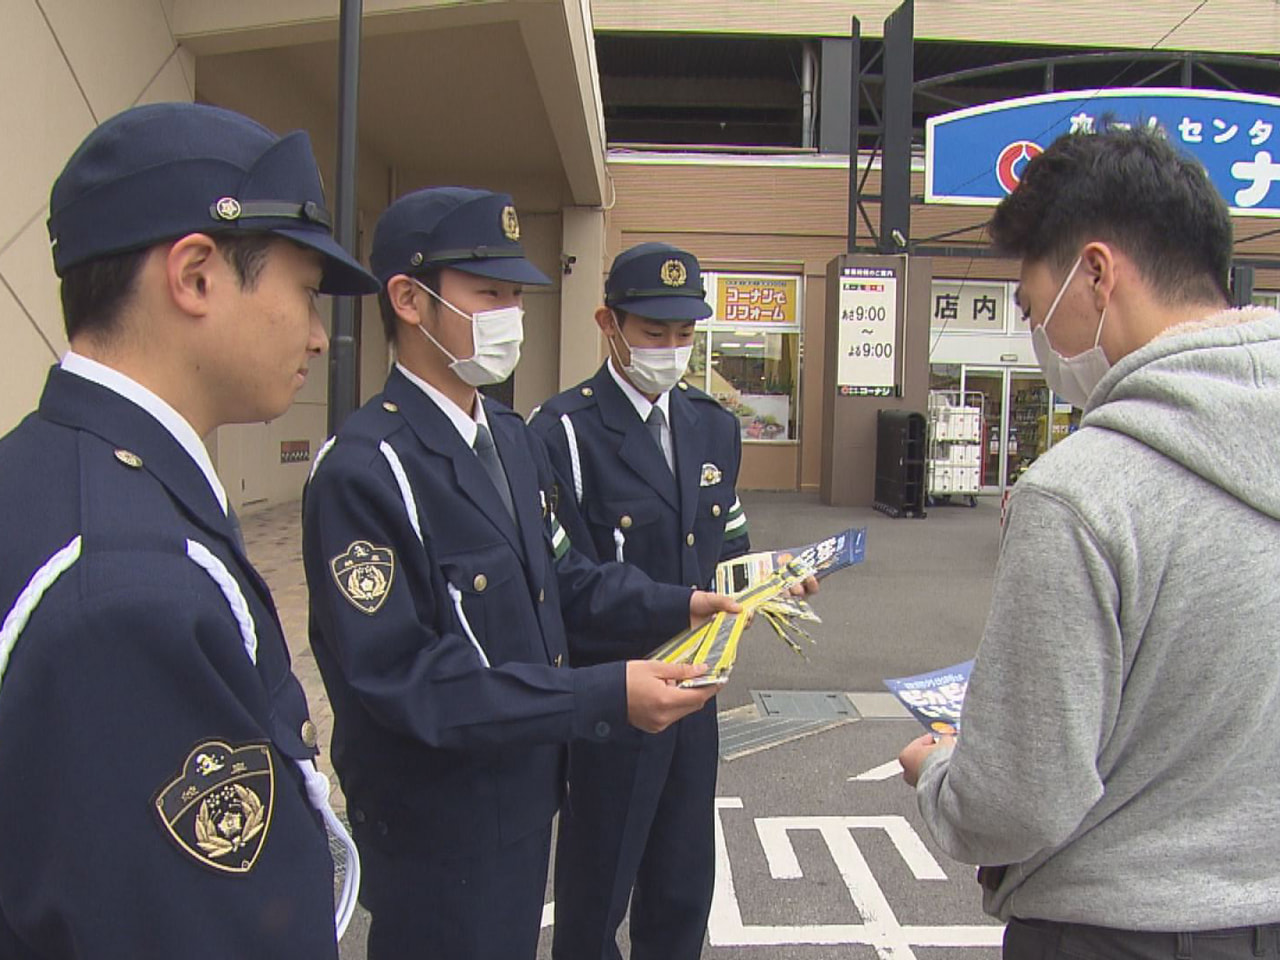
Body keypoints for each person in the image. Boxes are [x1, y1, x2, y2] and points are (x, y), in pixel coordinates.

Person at [301, 187, 737, 960]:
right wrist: (602, 694)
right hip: (437, 823)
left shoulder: (506, 435)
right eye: (490, 292)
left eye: (517, 293)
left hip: (526, 796)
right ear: (409, 298)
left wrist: (689, 601)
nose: (513, 313)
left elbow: (566, 582)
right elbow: (406, 679)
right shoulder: (367, 469)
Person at [0, 102, 379, 959]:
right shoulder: (126, 590)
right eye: (307, 293)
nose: (319, 336)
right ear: (197, 274)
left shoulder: (53, 471)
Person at [898, 125, 1280, 958]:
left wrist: (936, 773)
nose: (1037, 337)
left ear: (1097, 273)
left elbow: (1018, 799)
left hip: (1109, 926)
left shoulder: (1081, 492)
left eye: (1033, 306)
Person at [529, 242, 752, 960]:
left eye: (685, 334)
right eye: (654, 334)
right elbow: (566, 581)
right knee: (595, 899)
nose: (672, 350)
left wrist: (774, 584)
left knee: (684, 890)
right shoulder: (562, 431)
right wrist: (682, 602)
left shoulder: (711, 424)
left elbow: (731, 545)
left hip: (697, 690)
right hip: (612, 700)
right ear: (609, 324)